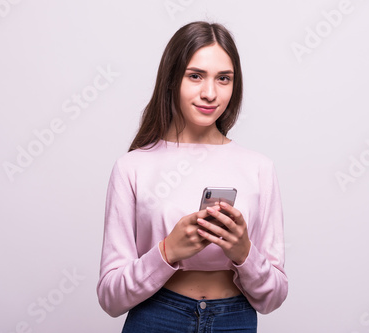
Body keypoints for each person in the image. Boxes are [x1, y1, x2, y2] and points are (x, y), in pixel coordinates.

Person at [97, 21, 288, 332]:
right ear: (172, 80)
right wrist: (168, 251)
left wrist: (243, 253)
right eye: (195, 76)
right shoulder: (131, 167)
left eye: (223, 79)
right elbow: (110, 298)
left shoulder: (259, 168)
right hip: (157, 317)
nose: (210, 93)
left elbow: (273, 298)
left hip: (235, 320)